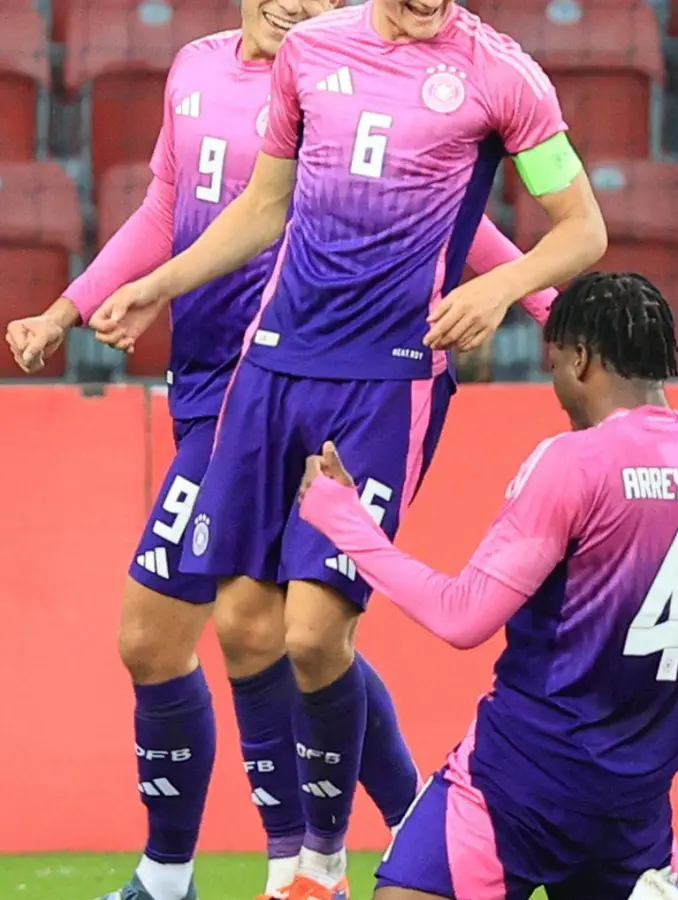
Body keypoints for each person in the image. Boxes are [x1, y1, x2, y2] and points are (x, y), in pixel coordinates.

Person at [3, 2, 550, 899]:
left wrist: (537, 301)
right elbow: (164, 209)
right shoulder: (198, 69)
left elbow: (454, 209)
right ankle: (381, 824)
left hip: (275, 387)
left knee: (224, 630)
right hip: (210, 386)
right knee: (266, 629)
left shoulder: (371, 76)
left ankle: (237, 870)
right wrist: (74, 308)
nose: (294, 2)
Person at [296, 272, 678, 900]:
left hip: (517, 786)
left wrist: (345, 521)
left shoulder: (572, 462)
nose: (556, 385)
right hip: (631, 811)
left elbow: (462, 618)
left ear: (582, 359)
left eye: (556, 363)